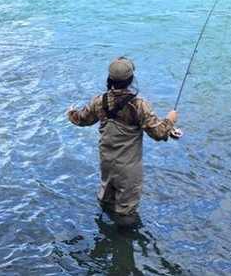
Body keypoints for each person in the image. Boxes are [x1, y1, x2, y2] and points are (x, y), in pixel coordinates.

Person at [67, 57, 180, 226]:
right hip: (128, 167)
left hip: (106, 160)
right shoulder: (139, 105)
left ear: (110, 79)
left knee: (106, 198)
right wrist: (170, 120)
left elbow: (81, 119)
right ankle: (124, 241)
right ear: (130, 80)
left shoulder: (100, 100)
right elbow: (157, 133)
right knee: (126, 211)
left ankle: (104, 229)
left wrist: (70, 112)